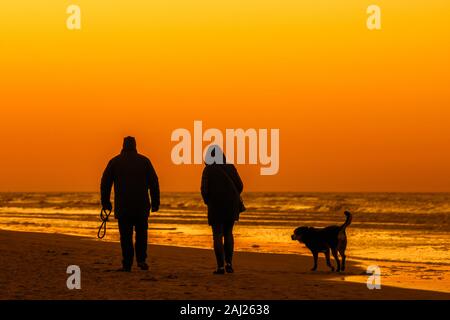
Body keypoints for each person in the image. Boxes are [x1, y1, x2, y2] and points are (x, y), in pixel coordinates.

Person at [101, 136, 160, 272]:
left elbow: (105, 183)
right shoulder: (144, 161)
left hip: (123, 206)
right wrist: (155, 202)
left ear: (123, 146)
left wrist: (105, 202)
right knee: (141, 233)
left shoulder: (115, 162)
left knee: (125, 236)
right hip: (141, 205)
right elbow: (154, 183)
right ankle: (141, 260)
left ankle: (127, 264)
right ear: (135, 146)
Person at [201, 145, 244, 274]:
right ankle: (229, 263)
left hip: (216, 205)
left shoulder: (208, 170)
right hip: (231, 205)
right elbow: (240, 186)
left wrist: (208, 201)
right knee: (228, 233)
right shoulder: (230, 167)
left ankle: (220, 267)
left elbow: (204, 190)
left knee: (217, 235)